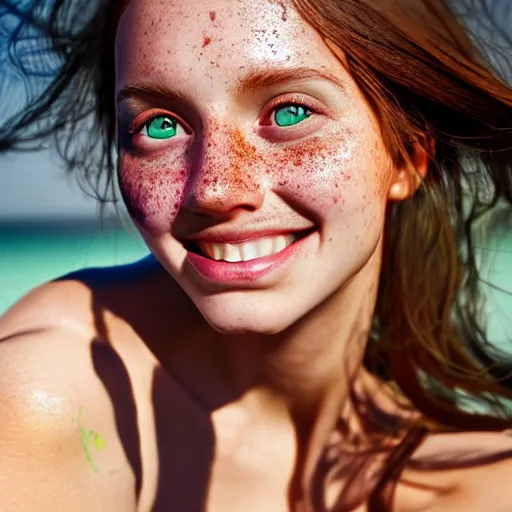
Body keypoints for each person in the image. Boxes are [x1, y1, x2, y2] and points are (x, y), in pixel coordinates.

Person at [1, 0, 512, 510]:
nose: (215, 188)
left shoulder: (486, 481)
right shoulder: (46, 402)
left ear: (405, 156)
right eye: (159, 126)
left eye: (290, 113)